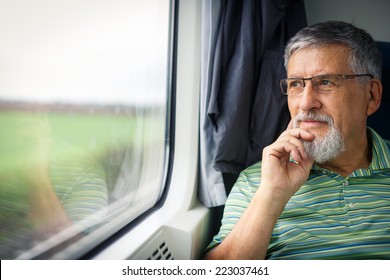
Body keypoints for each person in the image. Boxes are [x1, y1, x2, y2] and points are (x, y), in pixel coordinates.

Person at [204, 21, 390, 259]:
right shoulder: (257, 182)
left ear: (372, 96)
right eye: (296, 85)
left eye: (326, 82)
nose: (305, 103)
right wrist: (272, 193)